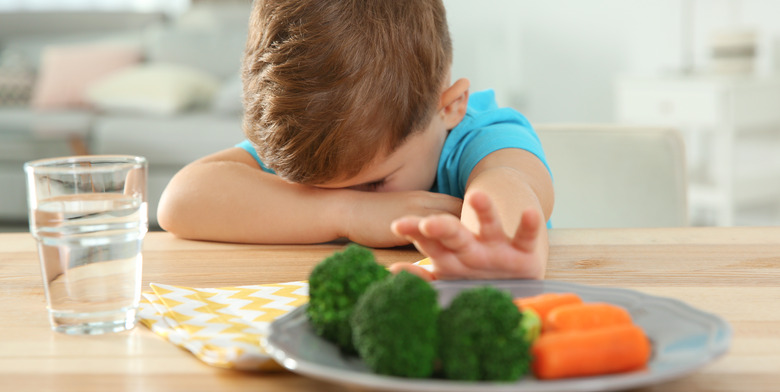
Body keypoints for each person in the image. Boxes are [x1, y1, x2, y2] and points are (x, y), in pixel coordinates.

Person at [157, 0, 554, 280]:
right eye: (308, 190)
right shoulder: (319, 148)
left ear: (449, 107)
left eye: (374, 183)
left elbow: (508, 186)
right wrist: (347, 212)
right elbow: (179, 201)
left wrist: (493, 253)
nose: (358, 195)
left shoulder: (483, 136)